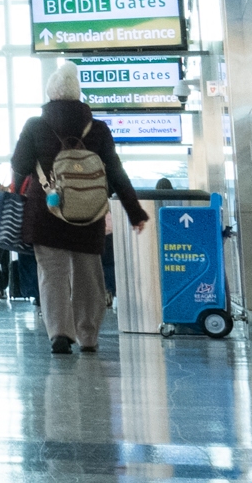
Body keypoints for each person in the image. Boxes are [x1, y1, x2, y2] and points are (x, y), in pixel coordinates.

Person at [9, 76, 149, 357]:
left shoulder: (35, 126)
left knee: (52, 275)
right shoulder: (97, 128)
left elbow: (20, 165)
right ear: (78, 95)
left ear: (49, 95)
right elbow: (116, 172)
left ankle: (60, 334)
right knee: (89, 273)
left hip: (47, 211)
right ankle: (87, 336)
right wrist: (135, 212)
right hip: (89, 212)